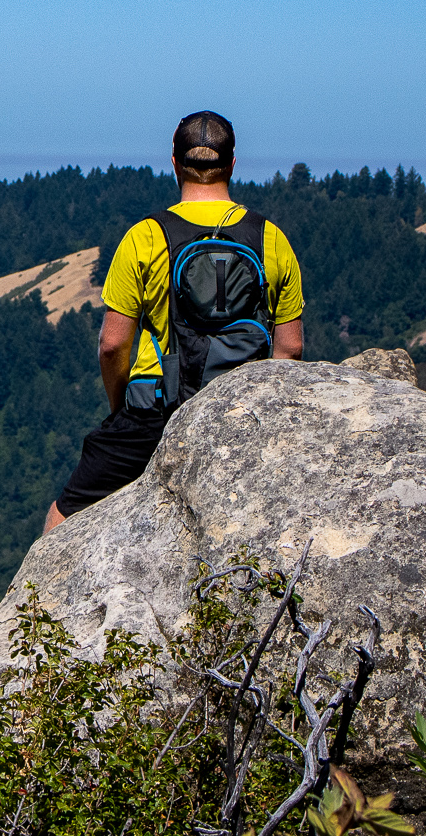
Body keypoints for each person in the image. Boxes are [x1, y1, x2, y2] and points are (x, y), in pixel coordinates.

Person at [45, 111, 303, 532]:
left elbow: (112, 345)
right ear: (233, 163)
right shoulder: (270, 237)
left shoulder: (145, 236)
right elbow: (290, 348)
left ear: (175, 162)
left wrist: (121, 408)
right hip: (241, 413)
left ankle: (36, 601)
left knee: (64, 513)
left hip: (155, 411)